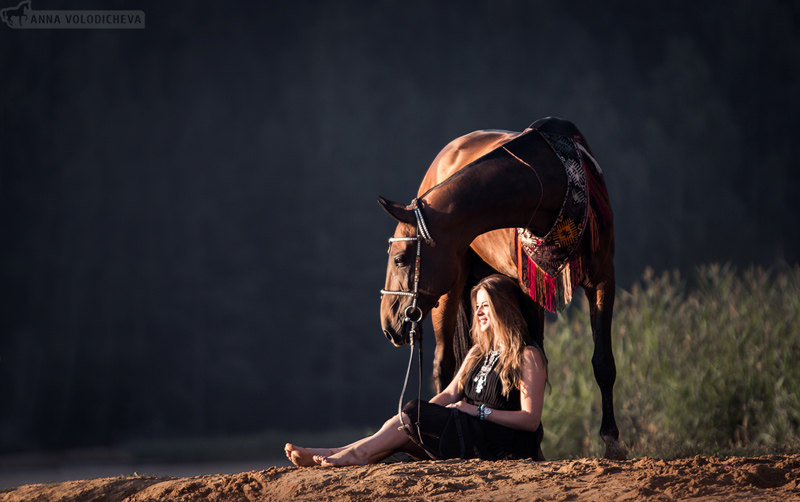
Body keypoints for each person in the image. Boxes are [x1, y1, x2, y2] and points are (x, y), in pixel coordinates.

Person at [284, 274, 548, 467]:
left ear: (504, 307)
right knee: (407, 426)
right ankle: (336, 452)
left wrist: (478, 411)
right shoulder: (477, 352)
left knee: (410, 417)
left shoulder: (527, 355)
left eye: (486, 305)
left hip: (502, 443)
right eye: (476, 305)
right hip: (467, 431)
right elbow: (450, 393)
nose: (478, 311)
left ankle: (349, 454)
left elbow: (530, 419)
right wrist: (421, 416)